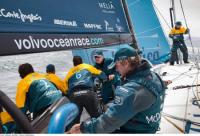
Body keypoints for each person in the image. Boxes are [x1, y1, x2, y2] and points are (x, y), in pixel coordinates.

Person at [68, 47, 166, 133]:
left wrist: (83, 128)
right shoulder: (154, 76)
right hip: (148, 126)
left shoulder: (131, 90)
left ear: (126, 63)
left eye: (117, 65)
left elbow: (109, 122)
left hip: (134, 130)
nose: (117, 69)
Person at [1, 63, 62, 133]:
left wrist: (16, 130)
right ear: (32, 70)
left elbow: (20, 109)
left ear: (21, 75)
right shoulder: (43, 77)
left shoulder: (23, 83)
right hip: (60, 102)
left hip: (46, 110)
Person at [64, 56, 107, 123]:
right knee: (97, 118)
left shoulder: (69, 72)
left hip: (74, 96)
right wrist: (105, 78)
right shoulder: (87, 66)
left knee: (73, 122)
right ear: (82, 61)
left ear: (74, 63)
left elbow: (65, 88)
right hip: (88, 93)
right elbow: (101, 74)